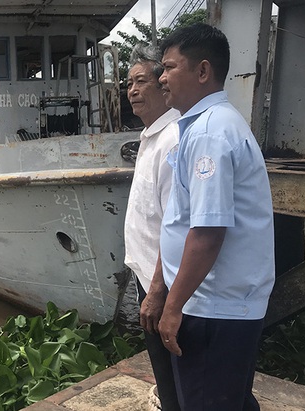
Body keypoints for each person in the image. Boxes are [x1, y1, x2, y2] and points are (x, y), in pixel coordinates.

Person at [156, 23, 275, 410]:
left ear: (202, 71)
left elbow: (207, 232)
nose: (161, 77)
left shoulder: (210, 132)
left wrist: (172, 308)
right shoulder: (206, 125)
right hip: (216, 304)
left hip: (211, 310)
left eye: (169, 67)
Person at [123, 43, 181, 411]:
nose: (132, 90)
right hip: (149, 273)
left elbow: (179, 224)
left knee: (179, 367)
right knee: (165, 370)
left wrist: (158, 290)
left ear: (164, 87)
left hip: (167, 281)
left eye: (141, 81)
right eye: (128, 83)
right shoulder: (151, 137)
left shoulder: (172, 139)